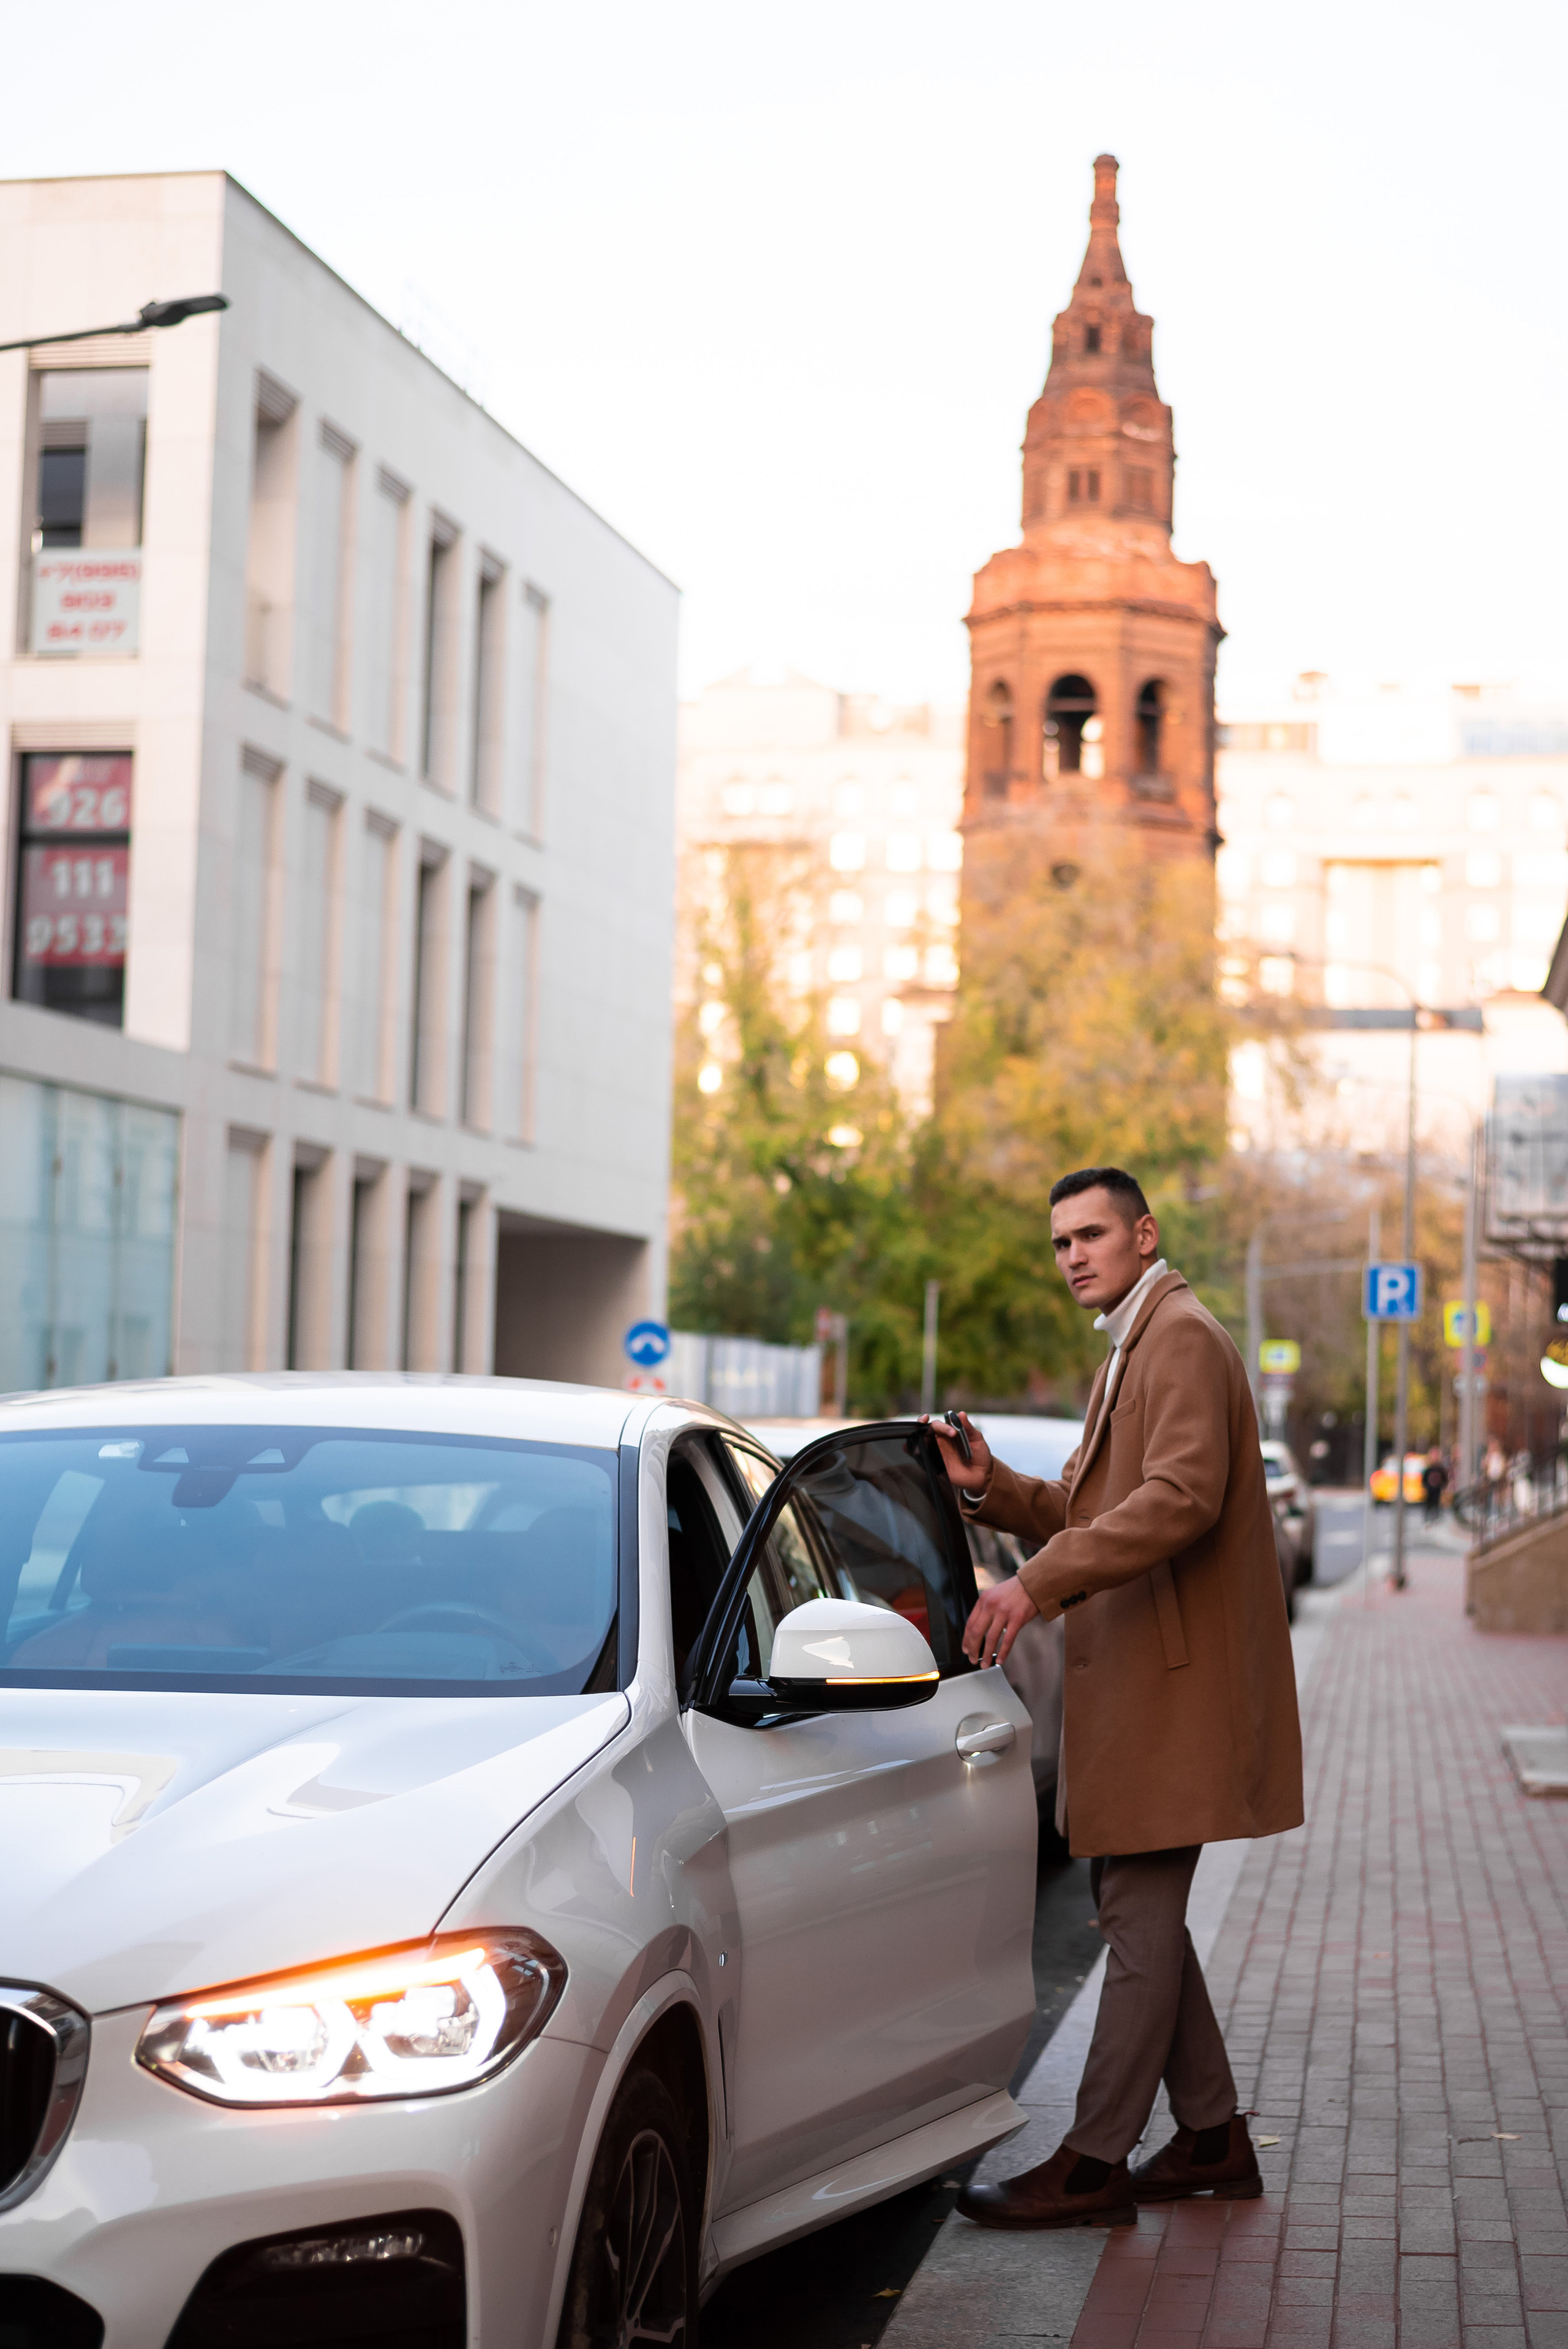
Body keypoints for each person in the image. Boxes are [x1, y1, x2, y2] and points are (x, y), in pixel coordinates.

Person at [927, 1167, 1303, 2230]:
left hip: (1170, 1692)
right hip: (1145, 1685)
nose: (1074, 1255)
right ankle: (1213, 2135)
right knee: (1140, 1914)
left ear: (1143, 1234)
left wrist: (1031, 1580)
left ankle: (1094, 2159)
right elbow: (1098, 1503)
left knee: (1135, 1914)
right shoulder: (1135, 1342)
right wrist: (989, 1486)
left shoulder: (1178, 1337)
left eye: (1091, 1233)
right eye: (1060, 1241)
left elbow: (1178, 1500)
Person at [1421, 1447, 1449, 1526]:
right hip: (1429, 1491)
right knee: (1429, 1505)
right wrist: (1424, 1488)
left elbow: (1445, 1480)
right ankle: (1427, 1520)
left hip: (1438, 1491)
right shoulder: (1428, 1469)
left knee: (1437, 1506)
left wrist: (1445, 1489)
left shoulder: (1441, 1469)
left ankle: (1436, 1519)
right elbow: (1424, 1480)